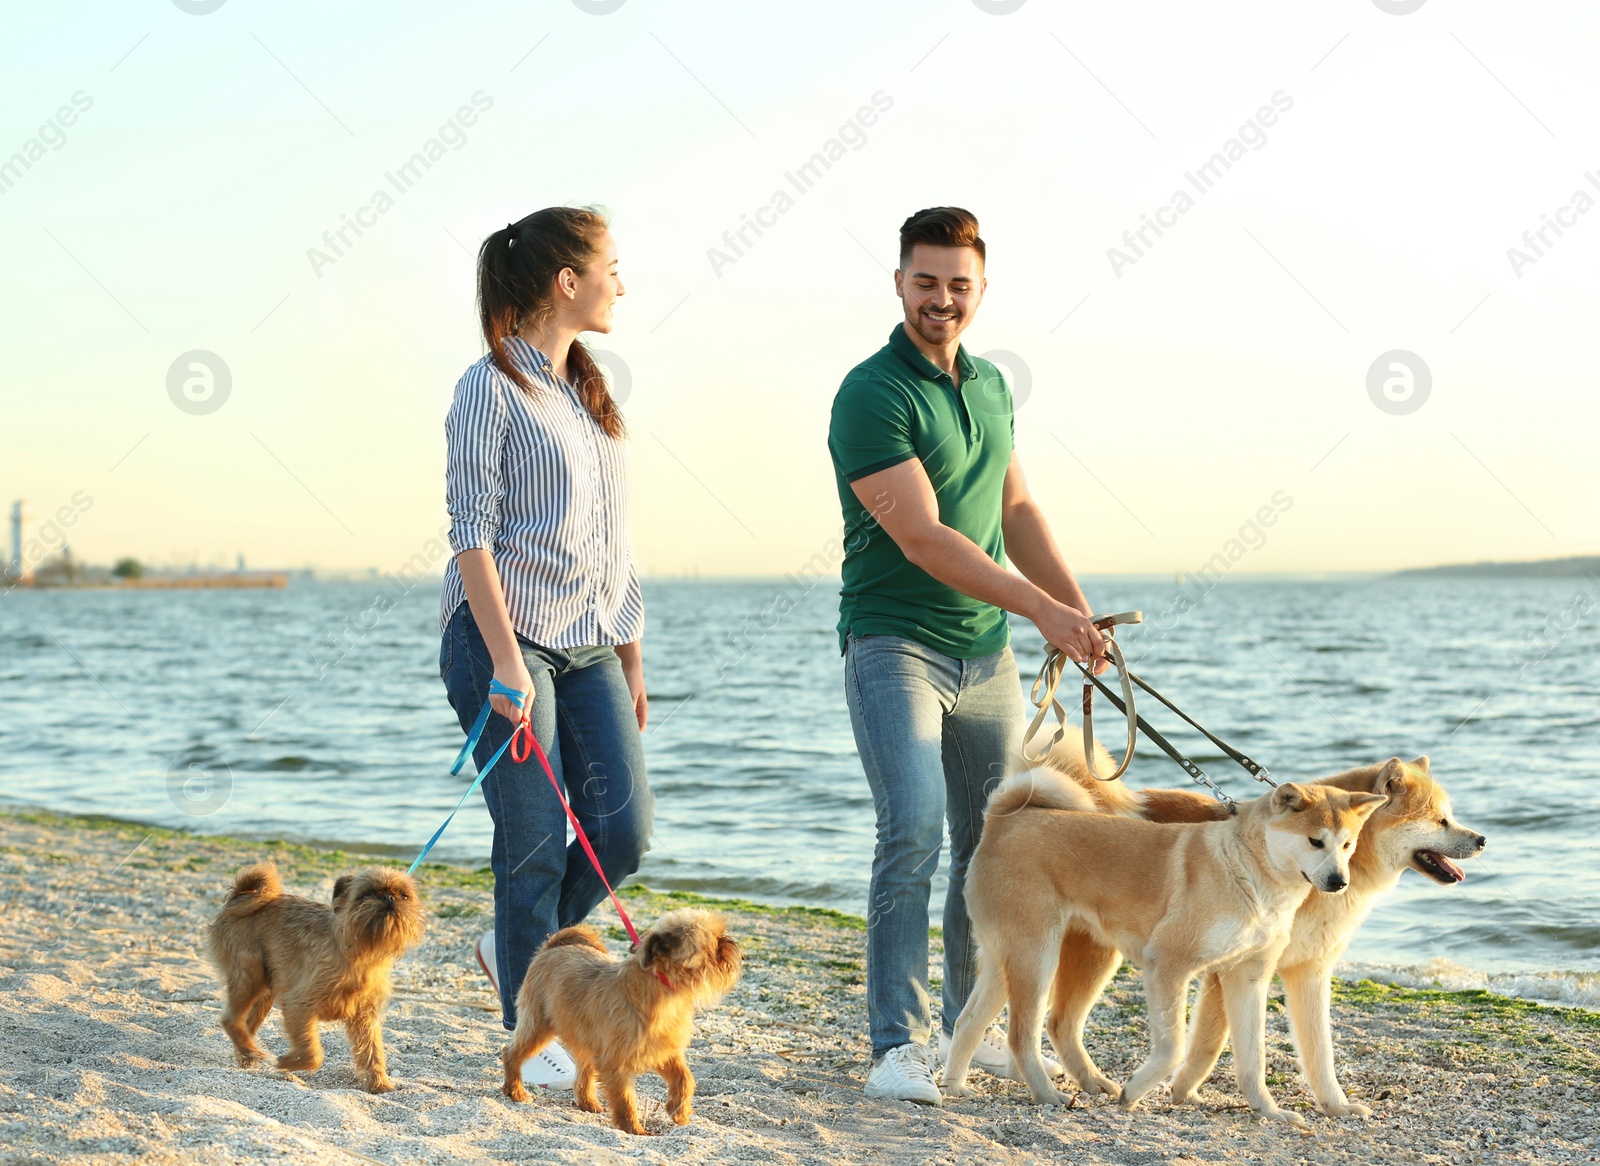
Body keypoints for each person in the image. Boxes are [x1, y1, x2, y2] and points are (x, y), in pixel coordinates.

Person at [827, 206, 1107, 1104]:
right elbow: (925, 539)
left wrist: (1074, 609)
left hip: (985, 656)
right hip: (893, 644)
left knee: (991, 844)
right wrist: (1040, 609)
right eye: (925, 281)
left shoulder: (989, 386)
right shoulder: (871, 393)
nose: (940, 300)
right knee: (910, 829)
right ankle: (896, 1046)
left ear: (980, 290)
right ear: (899, 281)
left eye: (958, 285)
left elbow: (1017, 511)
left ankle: (965, 1026)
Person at [438, 206, 653, 1090]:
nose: (621, 282)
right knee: (531, 842)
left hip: (592, 644)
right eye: (611, 265)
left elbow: (617, 546)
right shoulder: (487, 388)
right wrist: (506, 663)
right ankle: (540, 1030)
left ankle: (511, 944)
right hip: (504, 640)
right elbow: (470, 535)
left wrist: (632, 663)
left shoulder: (587, 394)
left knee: (622, 830)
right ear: (567, 282)